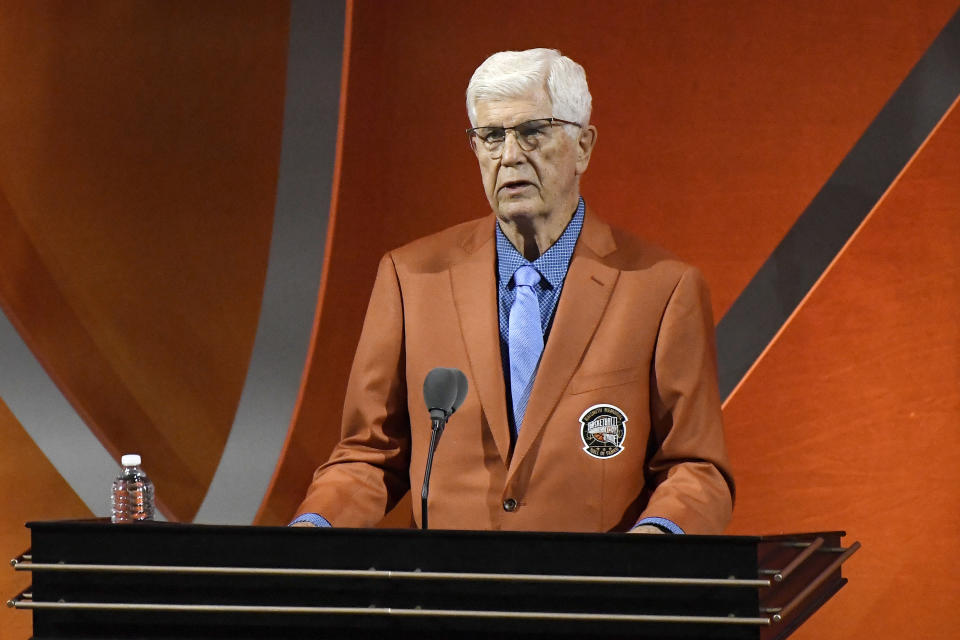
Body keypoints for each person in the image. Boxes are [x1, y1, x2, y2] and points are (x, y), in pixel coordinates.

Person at [292, 49, 733, 535]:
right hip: (448, 598)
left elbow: (695, 468)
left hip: (590, 599)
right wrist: (314, 529)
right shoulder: (410, 278)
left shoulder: (662, 288)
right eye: (491, 136)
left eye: (531, 133)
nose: (509, 156)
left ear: (583, 146)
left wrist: (655, 544)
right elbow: (369, 456)